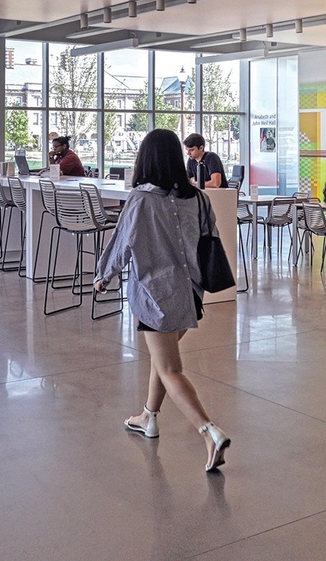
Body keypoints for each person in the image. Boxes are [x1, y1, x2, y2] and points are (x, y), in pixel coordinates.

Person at [93, 129, 231, 473]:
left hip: (156, 295)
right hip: (190, 293)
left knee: (169, 367)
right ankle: (148, 418)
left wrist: (102, 276)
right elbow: (209, 236)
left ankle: (209, 431)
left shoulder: (141, 199)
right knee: (162, 356)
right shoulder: (198, 197)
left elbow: (122, 244)